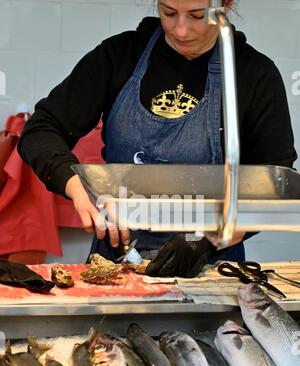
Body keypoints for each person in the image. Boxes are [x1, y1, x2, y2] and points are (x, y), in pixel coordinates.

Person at [18, 0, 297, 277]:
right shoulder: (120, 56)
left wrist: (206, 238)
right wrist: (77, 186)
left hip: (210, 267)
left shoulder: (254, 75)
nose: (182, 30)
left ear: (225, 5)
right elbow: (42, 129)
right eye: (169, 13)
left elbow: (274, 183)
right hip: (117, 264)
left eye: (198, 15)